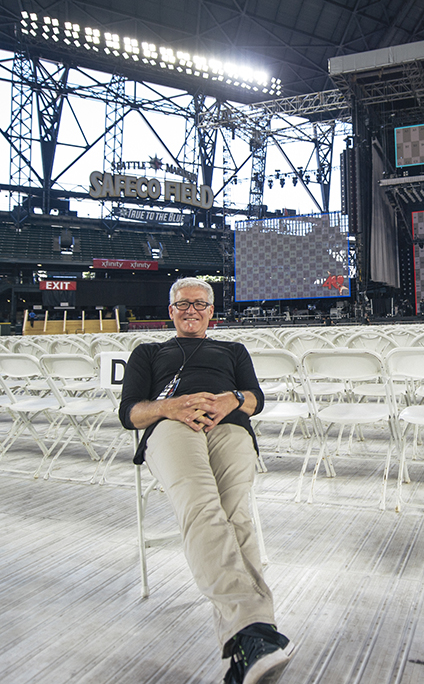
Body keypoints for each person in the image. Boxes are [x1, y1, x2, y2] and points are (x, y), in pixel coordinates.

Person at [119, 277, 293, 684]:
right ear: (171, 311)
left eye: (199, 304)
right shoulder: (147, 352)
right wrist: (170, 406)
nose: (191, 310)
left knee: (236, 515)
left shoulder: (232, 350)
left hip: (228, 426)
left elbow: (256, 399)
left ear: (212, 312)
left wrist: (231, 399)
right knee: (202, 506)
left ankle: (247, 647)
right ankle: (256, 633)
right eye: (183, 304)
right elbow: (129, 413)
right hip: (171, 426)